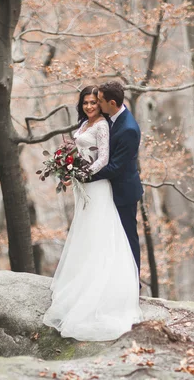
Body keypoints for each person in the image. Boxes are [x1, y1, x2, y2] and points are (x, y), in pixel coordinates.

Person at [42, 85, 142, 341]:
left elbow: (110, 163)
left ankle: (127, 289)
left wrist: (81, 176)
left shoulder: (122, 127)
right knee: (88, 235)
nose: (90, 105)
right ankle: (82, 280)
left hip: (111, 187)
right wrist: (67, 168)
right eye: (86, 102)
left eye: (95, 102)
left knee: (120, 238)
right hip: (89, 186)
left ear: (107, 103)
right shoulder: (95, 122)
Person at [90, 81, 144, 276]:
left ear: (112, 103)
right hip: (107, 189)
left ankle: (133, 282)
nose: (97, 104)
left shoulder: (128, 129)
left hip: (124, 192)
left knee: (128, 237)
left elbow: (114, 168)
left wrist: (84, 176)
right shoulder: (111, 115)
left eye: (100, 101)